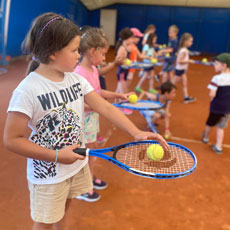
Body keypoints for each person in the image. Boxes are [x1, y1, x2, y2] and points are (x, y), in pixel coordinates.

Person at [3, 13, 168, 230]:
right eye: (74, 51)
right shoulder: (28, 90)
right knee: (44, 222)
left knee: (66, 206)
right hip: (48, 176)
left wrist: (136, 132)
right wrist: (56, 156)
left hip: (75, 164)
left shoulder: (75, 79)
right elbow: (11, 139)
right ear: (53, 53)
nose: (78, 56)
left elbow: (105, 106)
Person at [75, 27, 133, 202]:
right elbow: (78, 104)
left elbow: (98, 93)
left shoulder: (92, 69)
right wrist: (99, 107)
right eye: (103, 54)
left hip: (92, 120)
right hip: (82, 122)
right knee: (85, 155)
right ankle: (82, 188)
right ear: (92, 51)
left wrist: (118, 95)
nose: (105, 58)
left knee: (92, 152)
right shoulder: (79, 73)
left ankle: (89, 179)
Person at [202, 53, 230, 154]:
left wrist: (211, 99)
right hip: (227, 108)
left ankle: (206, 138)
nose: (214, 64)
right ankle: (219, 147)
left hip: (216, 107)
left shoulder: (216, 78)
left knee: (210, 123)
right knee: (221, 127)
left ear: (224, 66)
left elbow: (212, 93)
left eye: (216, 63)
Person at [173, 33, 196, 104]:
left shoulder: (183, 49)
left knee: (184, 84)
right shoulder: (184, 50)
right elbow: (179, 61)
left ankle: (186, 98)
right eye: (190, 41)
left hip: (182, 70)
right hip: (180, 70)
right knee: (173, 85)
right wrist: (189, 61)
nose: (191, 43)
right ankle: (166, 96)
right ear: (185, 41)